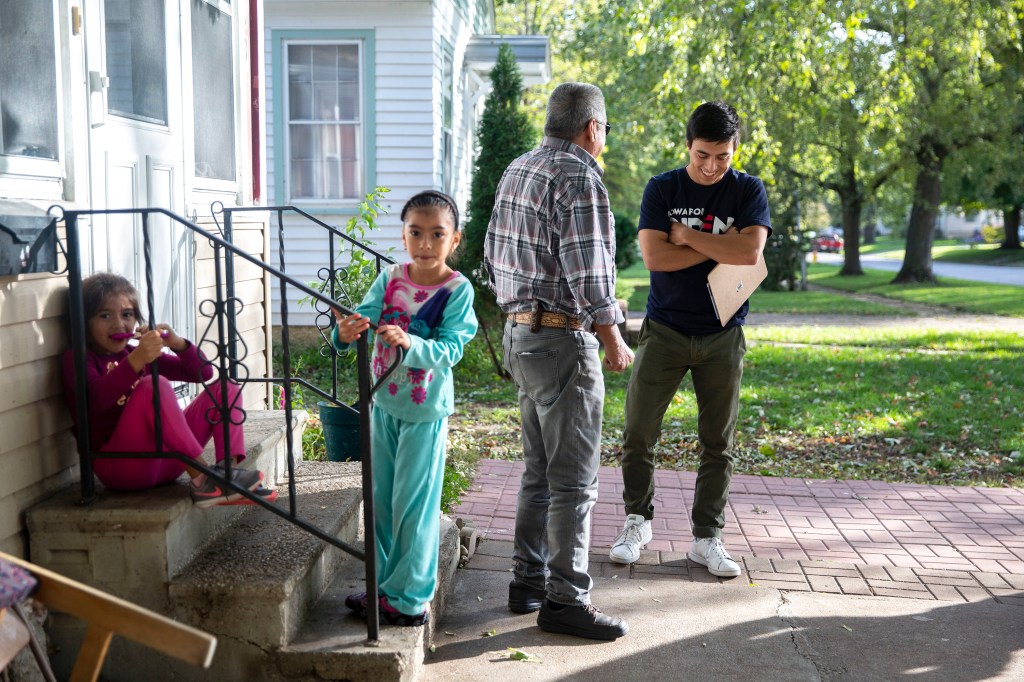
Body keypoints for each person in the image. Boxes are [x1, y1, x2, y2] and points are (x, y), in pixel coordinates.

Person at [484, 82, 634, 641]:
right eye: (605, 130)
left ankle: (528, 581)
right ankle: (566, 600)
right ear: (593, 127)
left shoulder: (518, 167)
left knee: (538, 471)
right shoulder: (578, 175)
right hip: (562, 342)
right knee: (574, 482)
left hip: (520, 335)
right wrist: (612, 337)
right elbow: (588, 270)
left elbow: (492, 256)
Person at [609, 101, 771, 577]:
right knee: (638, 433)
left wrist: (684, 235)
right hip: (665, 330)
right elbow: (655, 258)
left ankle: (707, 537)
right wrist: (719, 246)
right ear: (687, 146)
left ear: (734, 150)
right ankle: (637, 522)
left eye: (723, 156)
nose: (711, 166)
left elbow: (750, 251)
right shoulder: (663, 188)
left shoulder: (748, 189)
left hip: (724, 334)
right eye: (703, 155)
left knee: (718, 441)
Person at [333, 190, 478, 627]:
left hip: (425, 414)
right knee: (382, 504)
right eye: (416, 233)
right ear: (403, 235)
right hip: (383, 404)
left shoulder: (457, 290)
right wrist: (346, 332)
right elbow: (360, 322)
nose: (425, 243)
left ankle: (410, 600)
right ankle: (384, 589)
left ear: (454, 239)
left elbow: (451, 348)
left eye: (437, 234)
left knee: (413, 509)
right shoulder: (391, 278)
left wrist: (410, 341)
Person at [62, 272, 276, 507]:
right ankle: (204, 479)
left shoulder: (135, 352)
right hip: (122, 468)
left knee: (226, 387)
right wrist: (137, 359)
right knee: (154, 385)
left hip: (168, 461)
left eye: (127, 314)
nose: (118, 324)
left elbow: (203, 373)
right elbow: (96, 400)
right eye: (105, 315)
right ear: (84, 322)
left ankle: (225, 477)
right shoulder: (78, 358)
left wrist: (177, 344)